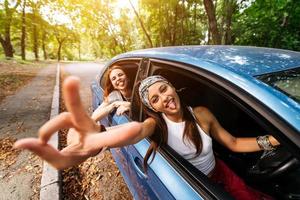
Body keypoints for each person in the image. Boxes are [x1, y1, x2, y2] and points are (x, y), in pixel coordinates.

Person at [14, 75, 279, 199]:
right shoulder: (155, 125)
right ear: (153, 107)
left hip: (221, 172)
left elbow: (233, 143)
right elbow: (135, 132)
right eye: (155, 99)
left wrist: (274, 139)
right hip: (199, 185)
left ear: (173, 86)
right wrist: (92, 144)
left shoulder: (201, 114)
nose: (164, 97)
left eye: (164, 89)